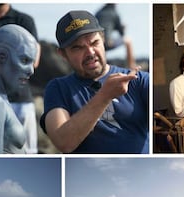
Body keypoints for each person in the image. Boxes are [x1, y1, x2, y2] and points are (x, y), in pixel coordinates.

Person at [40, 10, 149, 154]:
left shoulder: (139, 80)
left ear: (103, 39)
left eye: (94, 42)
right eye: (77, 47)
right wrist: (104, 96)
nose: (90, 52)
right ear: (63, 54)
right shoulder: (58, 89)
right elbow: (63, 142)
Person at [0, 4, 41, 154]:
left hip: (21, 99)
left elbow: (36, 57)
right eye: (24, 60)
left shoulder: (24, 19)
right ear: (1, 57)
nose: (31, 70)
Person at [95, 4, 135, 69]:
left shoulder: (98, 13)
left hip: (97, 43)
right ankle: (132, 67)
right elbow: (121, 33)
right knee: (128, 40)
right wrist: (123, 28)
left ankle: (102, 66)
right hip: (107, 43)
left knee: (102, 47)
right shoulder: (114, 13)